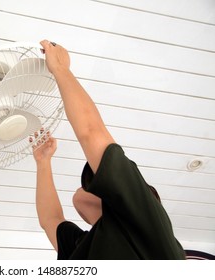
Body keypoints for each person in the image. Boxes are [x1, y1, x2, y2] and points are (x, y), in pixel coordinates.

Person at [30, 40, 186, 259]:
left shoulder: (85, 249)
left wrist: (43, 162)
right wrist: (60, 69)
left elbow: (50, 221)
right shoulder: (150, 234)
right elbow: (92, 133)